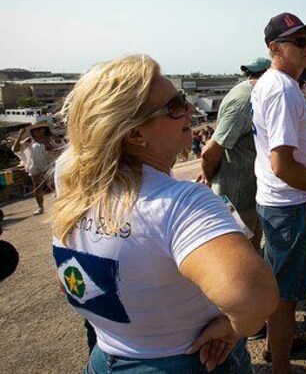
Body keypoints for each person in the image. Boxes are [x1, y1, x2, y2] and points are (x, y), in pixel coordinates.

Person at [51, 54, 278, 373]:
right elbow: (255, 296)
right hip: (189, 360)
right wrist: (232, 327)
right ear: (134, 134)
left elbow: (69, 283)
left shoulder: (73, 185)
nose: (189, 110)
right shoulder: (180, 204)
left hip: (105, 358)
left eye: (183, 99)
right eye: (174, 107)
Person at [252, 12, 306, 374]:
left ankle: (277, 346)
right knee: (284, 297)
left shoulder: (272, 83)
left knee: (278, 285)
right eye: (299, 42)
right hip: (293, 205)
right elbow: (282, 164)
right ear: (275, 48)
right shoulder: (282, 89)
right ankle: (281, 367)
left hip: (278, 202)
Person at [199, 57, 271, 252]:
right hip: (236, 196)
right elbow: (210, 152)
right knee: (242, 254)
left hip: (249, 191)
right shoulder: (245, 101)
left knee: (254, 249)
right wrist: (209, 176)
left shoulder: (253, 94)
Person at [12, 121, 54, 215]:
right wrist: (20, 135)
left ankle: (58, 203)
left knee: (52, 185)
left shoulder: (50, 139)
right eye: (35, 130)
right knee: (37, 187)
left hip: (49, 165)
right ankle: (40, 207)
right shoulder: (30, 140)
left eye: (40, 129)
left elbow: (56, 149)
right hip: (35, 166)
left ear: (44, 129)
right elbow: (16, 149)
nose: (37, 131)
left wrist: (49, 145)